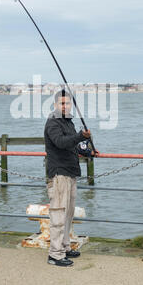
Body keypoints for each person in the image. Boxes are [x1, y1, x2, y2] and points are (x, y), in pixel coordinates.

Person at [44, 89, 95, 267]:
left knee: (68, 215)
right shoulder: (53, 123)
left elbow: (72, 145)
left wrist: (87, 151)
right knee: (58, 215)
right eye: (62, 103)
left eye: (68, 103)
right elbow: (60, 142)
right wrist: (81, 136)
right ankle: (55, 255)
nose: (65, 106)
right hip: (59, 174)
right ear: (55, 105)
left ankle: (64, 248)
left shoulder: (68, 123)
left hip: (71, 173)